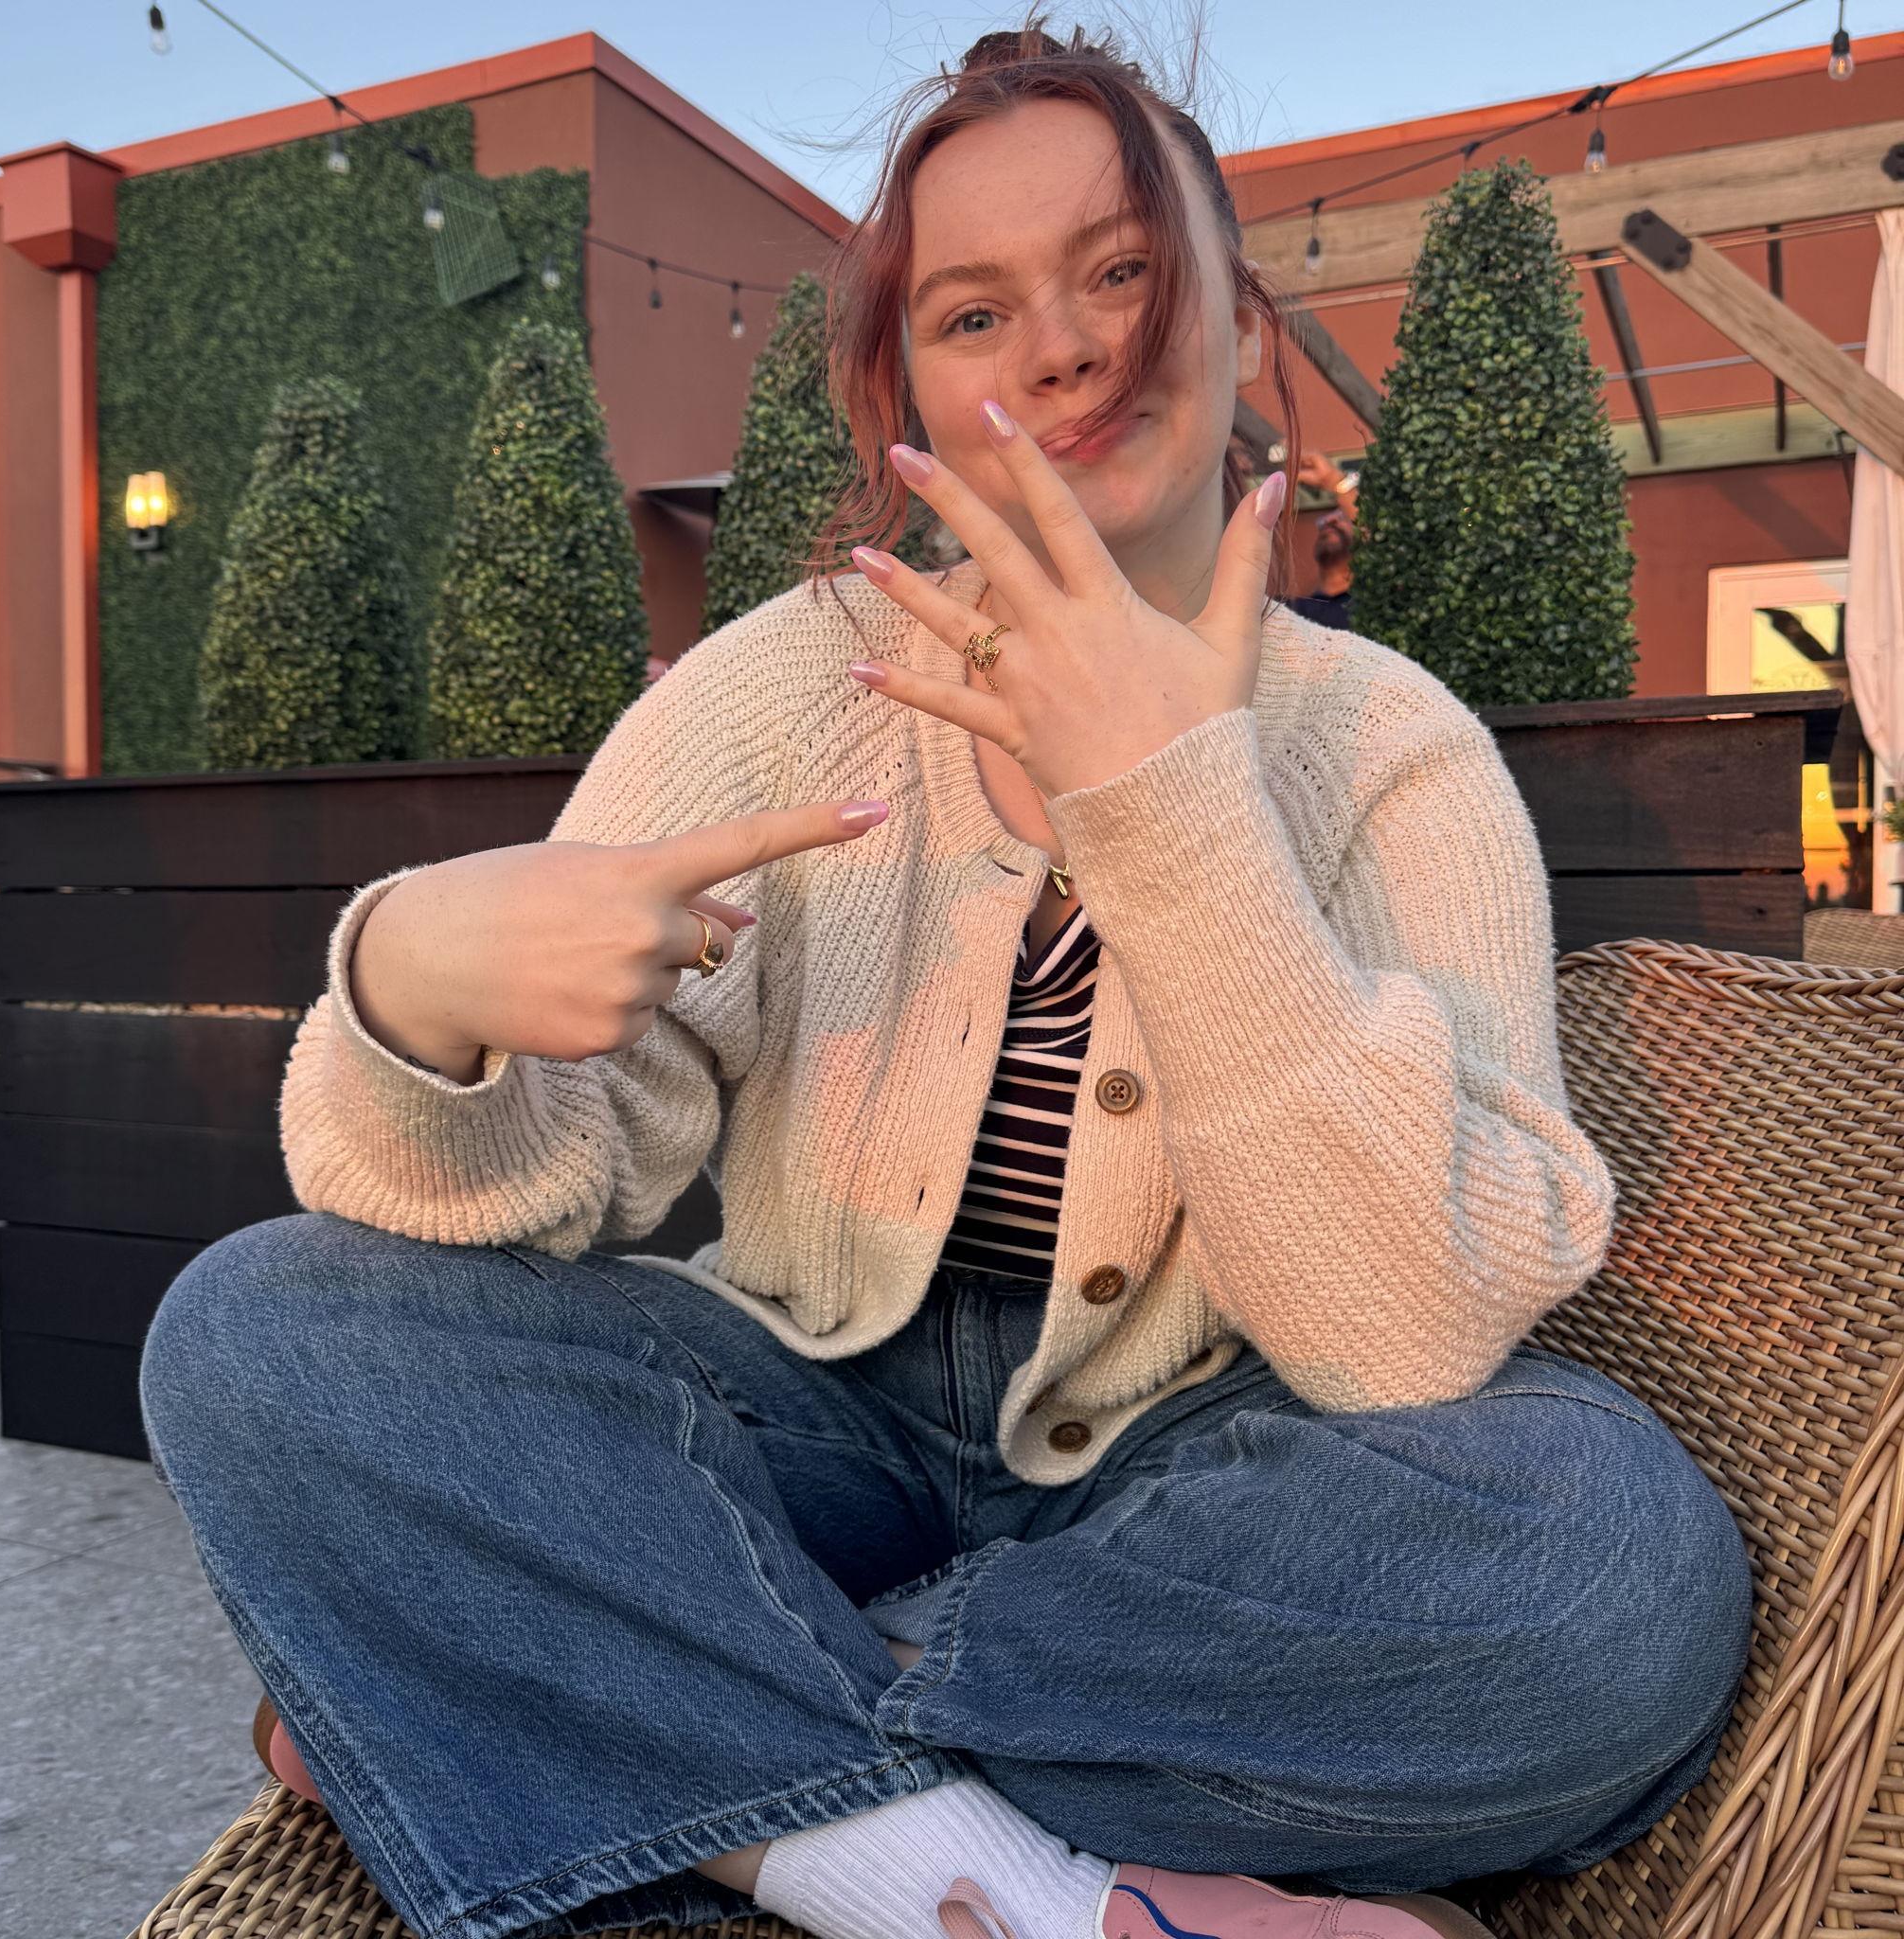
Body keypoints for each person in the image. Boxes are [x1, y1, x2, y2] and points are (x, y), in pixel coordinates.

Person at [136, 17, 1755, 1939]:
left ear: (1242, 326)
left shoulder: (1395, 754)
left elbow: (1393, 1343)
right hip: (801, 1417)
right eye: (974, 313)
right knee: (259, 1332)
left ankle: (560, 1698)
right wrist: (419, 996)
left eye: (1120, 272)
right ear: (903, 389)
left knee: (1608, 1567)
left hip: (1202, 1480)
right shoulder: (779, 689)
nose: (1059, 348)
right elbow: (565, 1180)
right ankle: (1015, 1896)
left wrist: (1169, 806)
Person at [1285, 450, 1358, 632]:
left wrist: (1334, 481)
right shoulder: (1293, 612)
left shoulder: (1375, 605)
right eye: (1325, 522)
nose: (1330, 520)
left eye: (1343, 518)